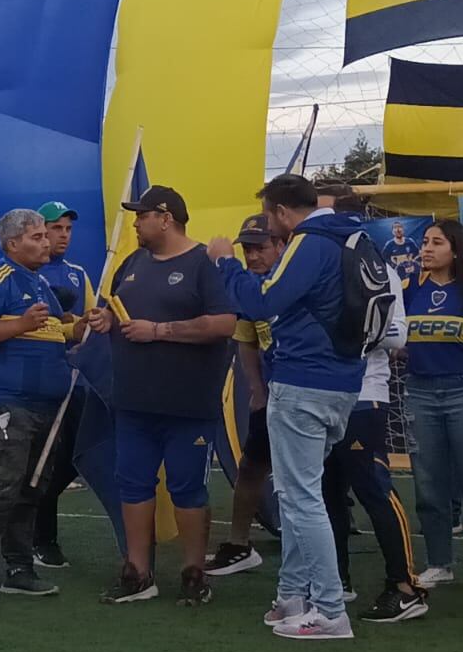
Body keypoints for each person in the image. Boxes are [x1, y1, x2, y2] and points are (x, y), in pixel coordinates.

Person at [208, 173, 368, 641]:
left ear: (280, 211)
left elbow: (262, 302)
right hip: (343, 380)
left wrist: (225, 265)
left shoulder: (311, 241)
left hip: (305, 379)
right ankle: (293, 594)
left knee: (300, 500)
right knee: (304, 494)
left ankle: (331, 610)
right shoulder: (356, 238)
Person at [0, 209, 107, 607]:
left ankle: (20, 569)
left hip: (47, 404)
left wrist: (80, 327)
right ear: (12, 244)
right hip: (7, 401)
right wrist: (18, 326)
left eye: (47, 235)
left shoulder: (40, 283)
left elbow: (52, 331)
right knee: (2, 485)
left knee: (32, 487)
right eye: (38, 236)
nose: (47, 242)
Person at [103, 186, 237, 606]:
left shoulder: (204, 264)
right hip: (133, 399)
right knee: (132, 483)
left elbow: (223, 324)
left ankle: (193, 572)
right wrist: (105, 319)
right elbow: (118, 308)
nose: (136, 223)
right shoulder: (133, 262)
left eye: (141, 215)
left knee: (187, 488)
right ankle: (138, 572)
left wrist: (158, 331)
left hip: (187, 401)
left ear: (165, 217)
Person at [321, 201, 423, 623]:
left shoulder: (377, 268)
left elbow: (397, 334)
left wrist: (345, 333)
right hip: (318, 395)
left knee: (374, 487)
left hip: (364, 394)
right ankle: (334, 579)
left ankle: (404, 586)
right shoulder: (312, 263)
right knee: (325, 494)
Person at [406, 220, 463, 596]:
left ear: (456, 250)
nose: (426, 249)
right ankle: (439, 563)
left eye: (436, 243)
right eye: (425, 242)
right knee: (429, 486)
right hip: (419, 391)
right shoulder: (409, 287)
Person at [206, 214, 284, 577]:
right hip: (274, 396)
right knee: (252, 466)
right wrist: (256, 389)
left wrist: (225, 262)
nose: (253, 257)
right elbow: (246, 341)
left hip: (308, 393)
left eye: (260, 248)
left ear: (281, 245)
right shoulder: (251, 285)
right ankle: (239, 544)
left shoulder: (288, 281)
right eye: (247, 249)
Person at [33, 201, 94, 571]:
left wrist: (87, 322)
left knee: (74, 456)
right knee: (42, 459)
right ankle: (43, 539)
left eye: (68, 230)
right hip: (39, 379)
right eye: (56, 229)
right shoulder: (28, 274)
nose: (63, 236)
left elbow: (85, 323)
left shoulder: (77, 274)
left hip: (73, 378)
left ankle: (31, 522)